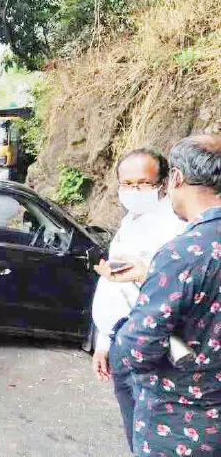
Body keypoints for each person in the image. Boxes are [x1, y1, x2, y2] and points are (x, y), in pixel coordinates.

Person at [110, 135, 221, 456]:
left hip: (182, 423)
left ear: (175, 178)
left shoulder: (183, 251)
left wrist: (120, 336)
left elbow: (138, 350)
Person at [90, 149, 188, 451]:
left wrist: (145, 274)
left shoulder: (177, 228)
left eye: (143, 183)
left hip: (153, 350)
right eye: (127, 184)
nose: (134, 191)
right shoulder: (130, 221)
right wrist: (103, 342)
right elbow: (113, 286)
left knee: (153, 439)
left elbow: (180, 292)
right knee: (133, 431)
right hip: (120, 340)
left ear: (164, 182)